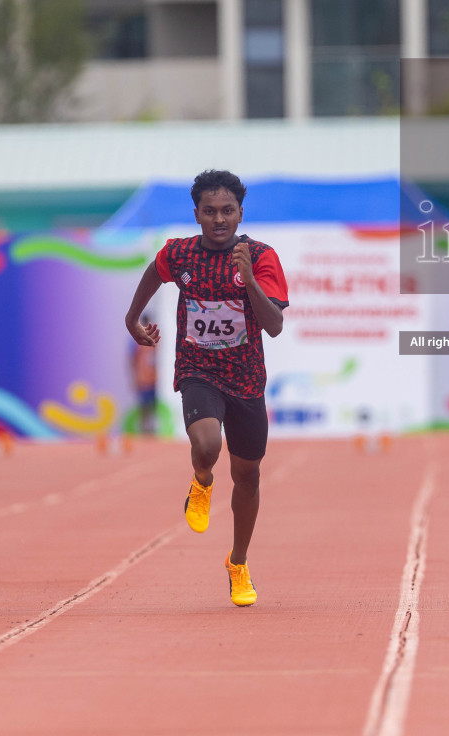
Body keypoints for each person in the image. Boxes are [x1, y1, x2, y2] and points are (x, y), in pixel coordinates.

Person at [123, 170, 289, 607]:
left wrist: (248, 279)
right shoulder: (179, 254)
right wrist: (132, 318)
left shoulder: (262, 256)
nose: (219, 219)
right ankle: (201, 480)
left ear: (240, 213)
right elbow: (153, 274)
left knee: (248, 475)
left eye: (228, 211)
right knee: (207, 444)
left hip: (247, 379)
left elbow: (274, 326)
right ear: (196, 214)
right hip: (198, 369)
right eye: (210, 211)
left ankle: (238, 562)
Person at [131, 316, 159, 436]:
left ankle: (151, 431)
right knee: (143, 407)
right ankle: (143, 431)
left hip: (154, 379)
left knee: (153, 406)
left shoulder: (155, 339)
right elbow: (132, 359)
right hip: (143, 378)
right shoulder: (136, 341)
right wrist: (134, 376)